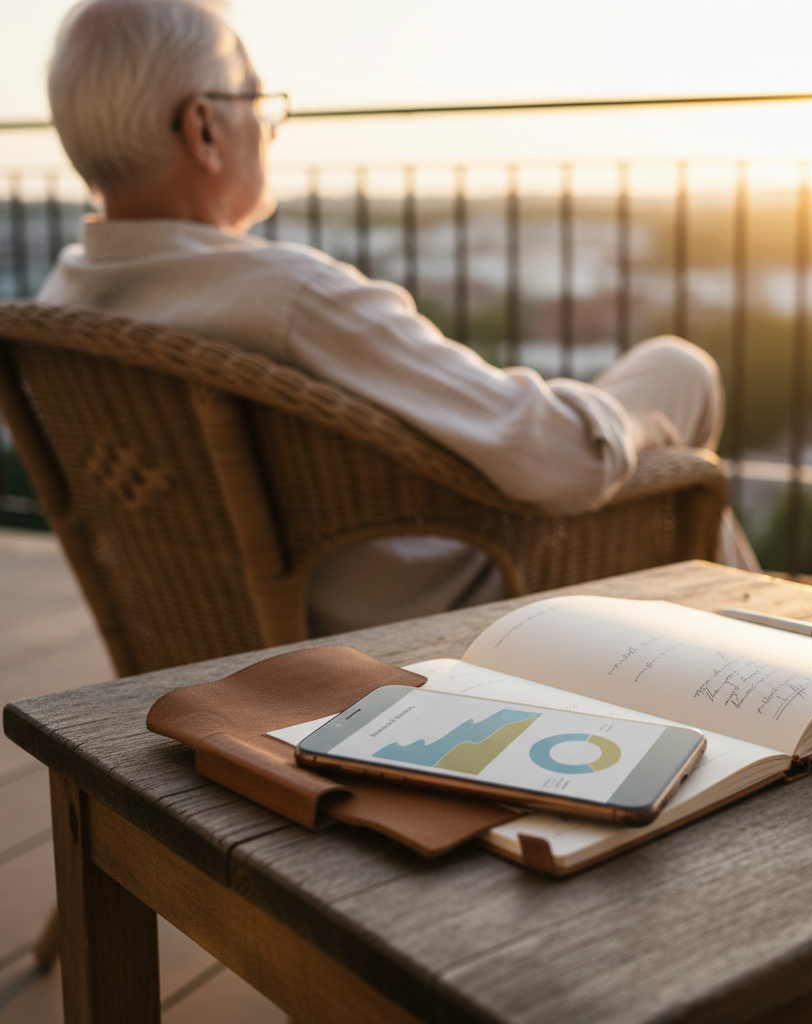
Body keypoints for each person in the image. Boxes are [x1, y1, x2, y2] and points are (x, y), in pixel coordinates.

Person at [38, 0, 759, 634]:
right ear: (203, 128)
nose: (270, 127)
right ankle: (771, 671)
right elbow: (561, 460)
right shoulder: (290, 300)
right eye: (255, 98)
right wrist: (627, 420)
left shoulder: (54, 312)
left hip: (231, 633)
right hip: (440, 617)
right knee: (678, 373)